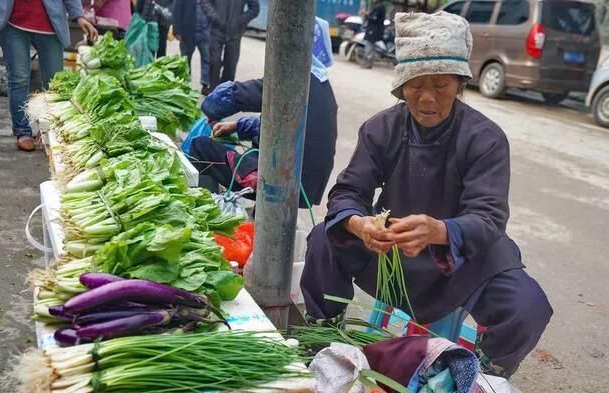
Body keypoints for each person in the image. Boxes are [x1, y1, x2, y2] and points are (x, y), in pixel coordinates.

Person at [300, 12, 552, 379]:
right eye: (416, 84)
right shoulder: (381, 129)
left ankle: (480, 373)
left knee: (526, 305)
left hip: (463, 259)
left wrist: (441, 231)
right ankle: (322, 334)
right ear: (401, 85)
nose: (427, 98)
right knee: (325, 237)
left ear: (461, 83)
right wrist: (361, 224)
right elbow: (347, 191)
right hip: (391, 252)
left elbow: (488, 217)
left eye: (442, 84)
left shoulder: (485, 138)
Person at [189, 17, 337, 208]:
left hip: (282, 183)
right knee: (254, 155)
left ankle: (208, 211)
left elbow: (223, 101)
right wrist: (236, 126)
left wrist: (213, 106)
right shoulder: (322, 85)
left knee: (201, 146)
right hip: (307, 186)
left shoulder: (293, 80)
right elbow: (284, 126)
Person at [0, 0, 97, 152]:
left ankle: (51, 132)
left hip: (50, 25)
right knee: (19, 79)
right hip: (13, 22)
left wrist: (79, 16)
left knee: (55, 84)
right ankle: (22, 131)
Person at [199, 0, 259, 91]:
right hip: (216, 29)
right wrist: (214, 16)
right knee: (214, 61)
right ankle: (213, 90)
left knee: (230, 64)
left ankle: (225, 92)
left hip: (235, 32)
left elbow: (255, 8)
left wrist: (240, 21)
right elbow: (204, 2)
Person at [172, 0, 209, 95]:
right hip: (187, 31)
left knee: (207, 59)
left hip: (205, 31)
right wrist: (177, 30)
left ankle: (206, 85)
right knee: (185, 60)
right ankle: (185, 84)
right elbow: (176, 10)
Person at [360, 0, 386, 69]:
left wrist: (366, 14)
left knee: (370, 46)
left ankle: (368, 63)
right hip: (373, 29)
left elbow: (374, 18)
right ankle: (367, 62)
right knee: (370, 46)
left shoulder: (379, 7)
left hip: (374, 30)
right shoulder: (378, 5)